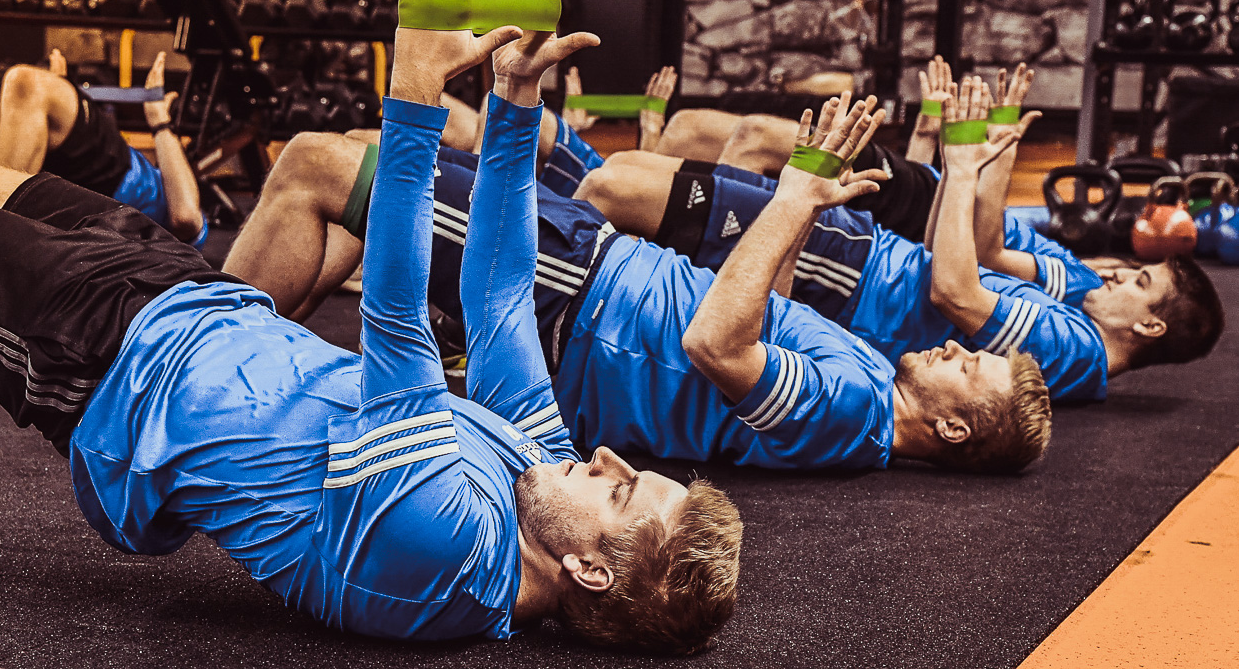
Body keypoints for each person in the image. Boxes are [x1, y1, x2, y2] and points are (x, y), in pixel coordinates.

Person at [0, 0, 742, 654]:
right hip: (186, 302)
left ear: (586, 572)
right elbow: (497, 299)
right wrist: (514, 102)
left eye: (625, 496)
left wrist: (412, 100)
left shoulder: (445, 554)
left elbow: (398, 323)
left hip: (103, 358)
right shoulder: (535, 480)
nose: (611, 462)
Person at [229, 94, 1053, 475]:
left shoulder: (853, 415)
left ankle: (190, 331)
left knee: (315, 166)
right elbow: (769, 319)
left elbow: (716, 344)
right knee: (346, 177)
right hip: (590, 274)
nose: (954, 345)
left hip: (574, 294)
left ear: (950, 430)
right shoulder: (868, 389)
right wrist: (796, 211)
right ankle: (224, 339)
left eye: (967, 366)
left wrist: (797, 193)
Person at [575, 78, 1224, 403]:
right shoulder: (1077, 325)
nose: (1118, 275)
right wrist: (961, 160)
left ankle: (526, 281)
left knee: (615, 188)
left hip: (852, 274)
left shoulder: (1075, 347)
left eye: (1141, 284)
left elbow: (955, 290)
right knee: (620, 179)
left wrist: (964, 165)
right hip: (862, 253)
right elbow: (976, 255)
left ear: (1151, 329)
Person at [0, 49, 206, 246]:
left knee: (28, 83)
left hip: (107, 183)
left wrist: (160, 121)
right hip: (64, 170)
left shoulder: (181, 235)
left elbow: (187, 218)